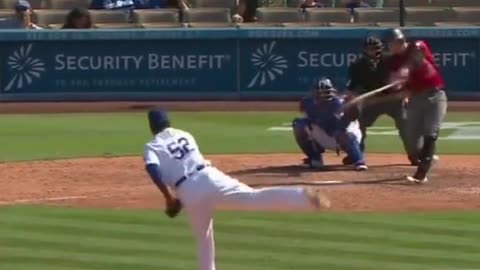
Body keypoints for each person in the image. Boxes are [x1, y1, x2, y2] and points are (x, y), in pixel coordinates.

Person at [143, 109, 330, 270]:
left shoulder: (152, 146)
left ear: (152, 127)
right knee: (252, 197)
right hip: (208, 176)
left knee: (204, 238)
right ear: (168, 121)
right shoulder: (184, 134)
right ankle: (301, 196)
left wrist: (169, 198)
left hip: (187, 190)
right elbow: (188, 165)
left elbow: (153, 168)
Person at [384, 28, 447, 183]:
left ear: (399, 41)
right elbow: (398, 85)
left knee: (430, 132)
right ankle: (427, 156)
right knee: (412, 139)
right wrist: (398, 86)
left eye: (390, 43)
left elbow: (417, 56)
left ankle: (421, 174)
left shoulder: (416, 46)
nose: (389, 47)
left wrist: (406, 69)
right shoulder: (393, 61)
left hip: (435, 96)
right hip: (416, 99)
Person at [346, 36, 412, 165]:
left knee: (405, 123)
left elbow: (404, 80)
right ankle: (357, 154)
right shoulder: (357, 66)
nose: (371, 52)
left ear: (380, 49)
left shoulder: (391, 61)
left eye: (374, 49)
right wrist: (352, 98)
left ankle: (415, 154)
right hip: (370, 102)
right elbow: (351, 88)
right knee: (357, 124)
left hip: (392, 100)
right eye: (368, 49)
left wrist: (405, 94)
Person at [292, 77, 368, 171]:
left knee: (339, 132)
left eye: (326, 92)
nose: (323, 95)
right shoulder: (307, 103)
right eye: (320, 92)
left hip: (347, 134)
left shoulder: (339, 104)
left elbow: (346, 122)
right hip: (326, 134)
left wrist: (353, 107)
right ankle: (315, 158)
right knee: (299, 125)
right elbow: (308, 121)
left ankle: (358, 160)